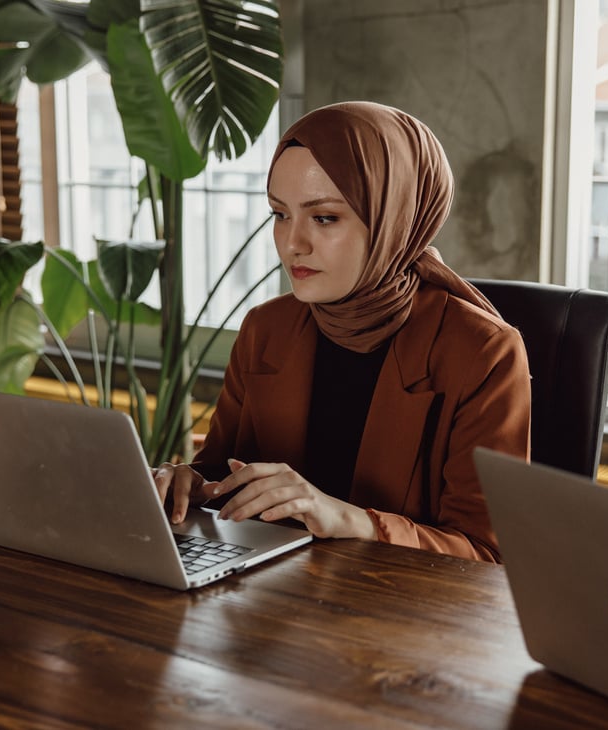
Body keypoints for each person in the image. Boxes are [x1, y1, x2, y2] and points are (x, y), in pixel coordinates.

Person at [153, 101, 531, 561]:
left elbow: (486, 555)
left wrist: (348, 519)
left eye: (325, 217)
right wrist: (188, 483)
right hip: (269, 603)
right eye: (280, 214)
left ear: (395, 218)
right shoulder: (265, 329)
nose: (293, 243)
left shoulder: (483, 352)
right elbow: (220, 475)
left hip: (397, 618)